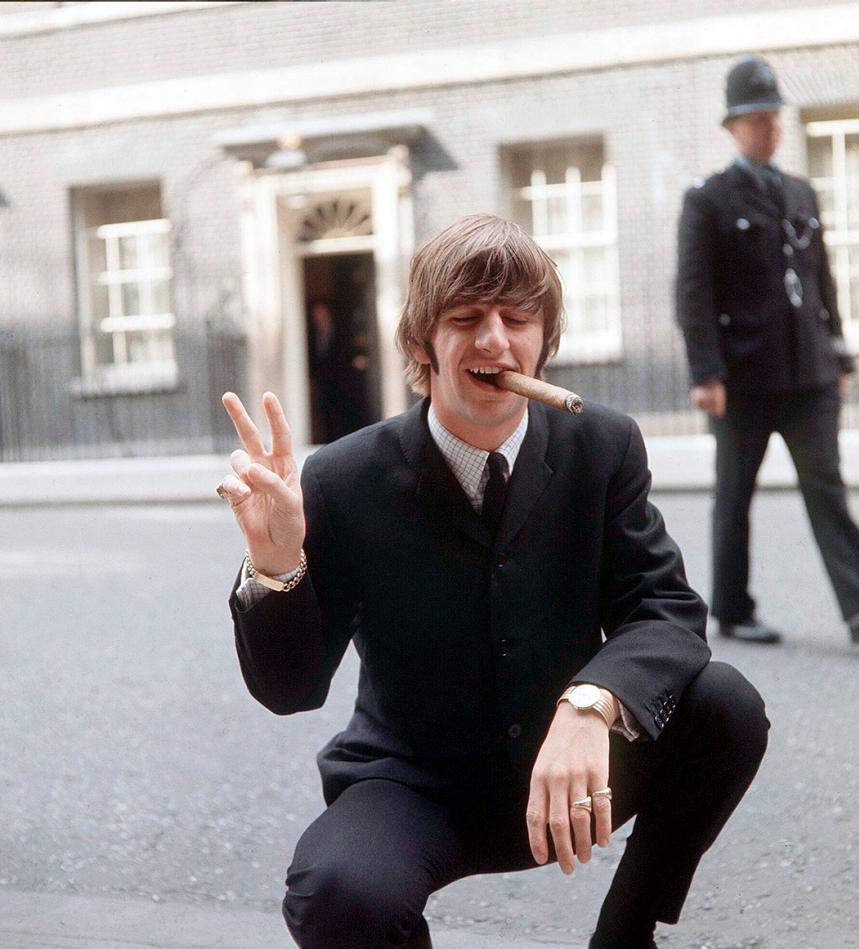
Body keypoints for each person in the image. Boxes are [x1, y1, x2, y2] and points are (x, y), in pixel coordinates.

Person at [219, 214, 769, 949]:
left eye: (518, 318)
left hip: (578, 768)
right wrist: (277, 563)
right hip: (418, 785)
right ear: (423, 344)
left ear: (544, 340)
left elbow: (665, 608)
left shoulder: (602, 445)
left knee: (726, 705)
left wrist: (589, 706)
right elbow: (290, 690)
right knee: (340, 895)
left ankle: (626, 932)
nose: (495, 340)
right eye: (465, 319)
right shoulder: (344, 478)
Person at [675, 55, 859, 646]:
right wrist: (706, 373)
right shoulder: (710, 199)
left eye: (774, 117)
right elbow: (693, 293)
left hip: (808, 374)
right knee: (734, 494)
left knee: (827, 487)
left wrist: (838, 356)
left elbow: (822, 279)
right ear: (732, 128)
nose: (769, 128)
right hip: (742, 379)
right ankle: (734, 610)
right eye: (756, 118)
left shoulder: (799, 192)